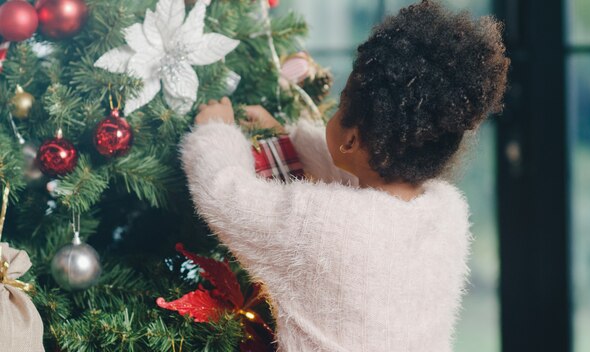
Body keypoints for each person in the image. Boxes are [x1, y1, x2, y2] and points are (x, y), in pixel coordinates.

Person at [180, 1, 509, 351]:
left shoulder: (320, 225)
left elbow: (224, 194)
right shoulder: (447, 215)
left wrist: (215, 130)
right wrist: (287, 134)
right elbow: (352, 188)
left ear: (351, 140)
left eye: (341, 105)